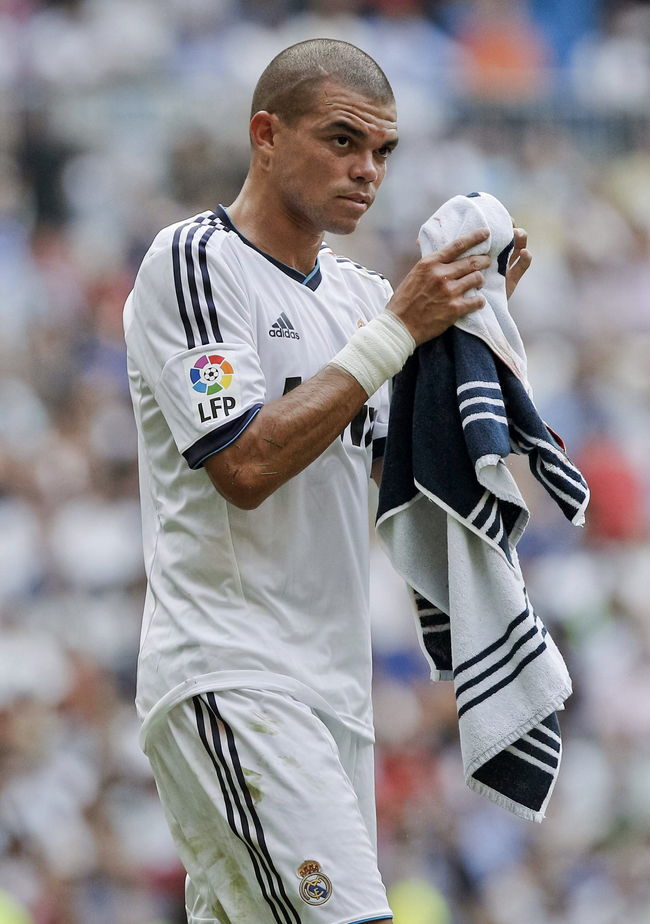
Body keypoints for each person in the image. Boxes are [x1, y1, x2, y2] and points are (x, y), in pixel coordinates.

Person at [124, 38, 530, 924]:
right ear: (266, 134)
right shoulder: (195, 261)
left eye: (383, 151)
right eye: (343, 140)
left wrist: (478, 346)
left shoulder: (360, 298)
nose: (367, 170)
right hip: (234, 672)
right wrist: (401, 332)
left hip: (333, 694)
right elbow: (243, 465)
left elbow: (409, 484)